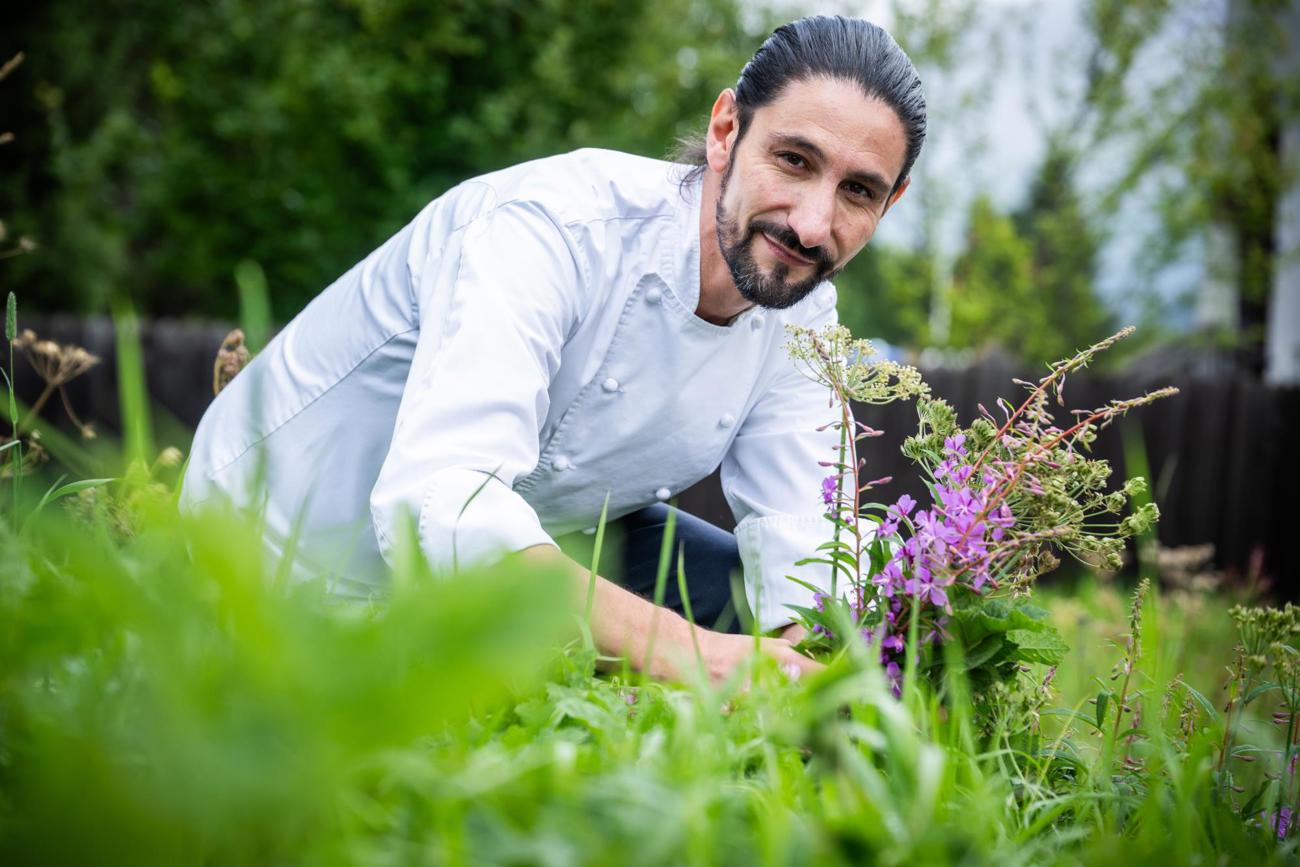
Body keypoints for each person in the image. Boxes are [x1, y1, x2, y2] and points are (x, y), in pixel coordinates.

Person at [181, 15, 925, 685]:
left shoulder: (803, 313)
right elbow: (443, 499)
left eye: (857, 191)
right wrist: (707, 659)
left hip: (541, 528)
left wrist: (805, 675)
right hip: (283, 548)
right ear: (727, 131)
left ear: (890, 203)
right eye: (794, 160)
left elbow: (804, 542)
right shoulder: (551, 226)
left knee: (756, 601)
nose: (813, 224)